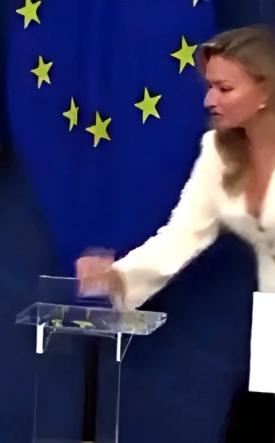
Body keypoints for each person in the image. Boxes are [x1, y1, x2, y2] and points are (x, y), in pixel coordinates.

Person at [76, 25, 275, 441]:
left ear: (266, 91)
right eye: (210, 86)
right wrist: (116, 277)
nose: (209, 100)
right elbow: (181, 235)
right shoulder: (218, 152)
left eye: (224, 88)